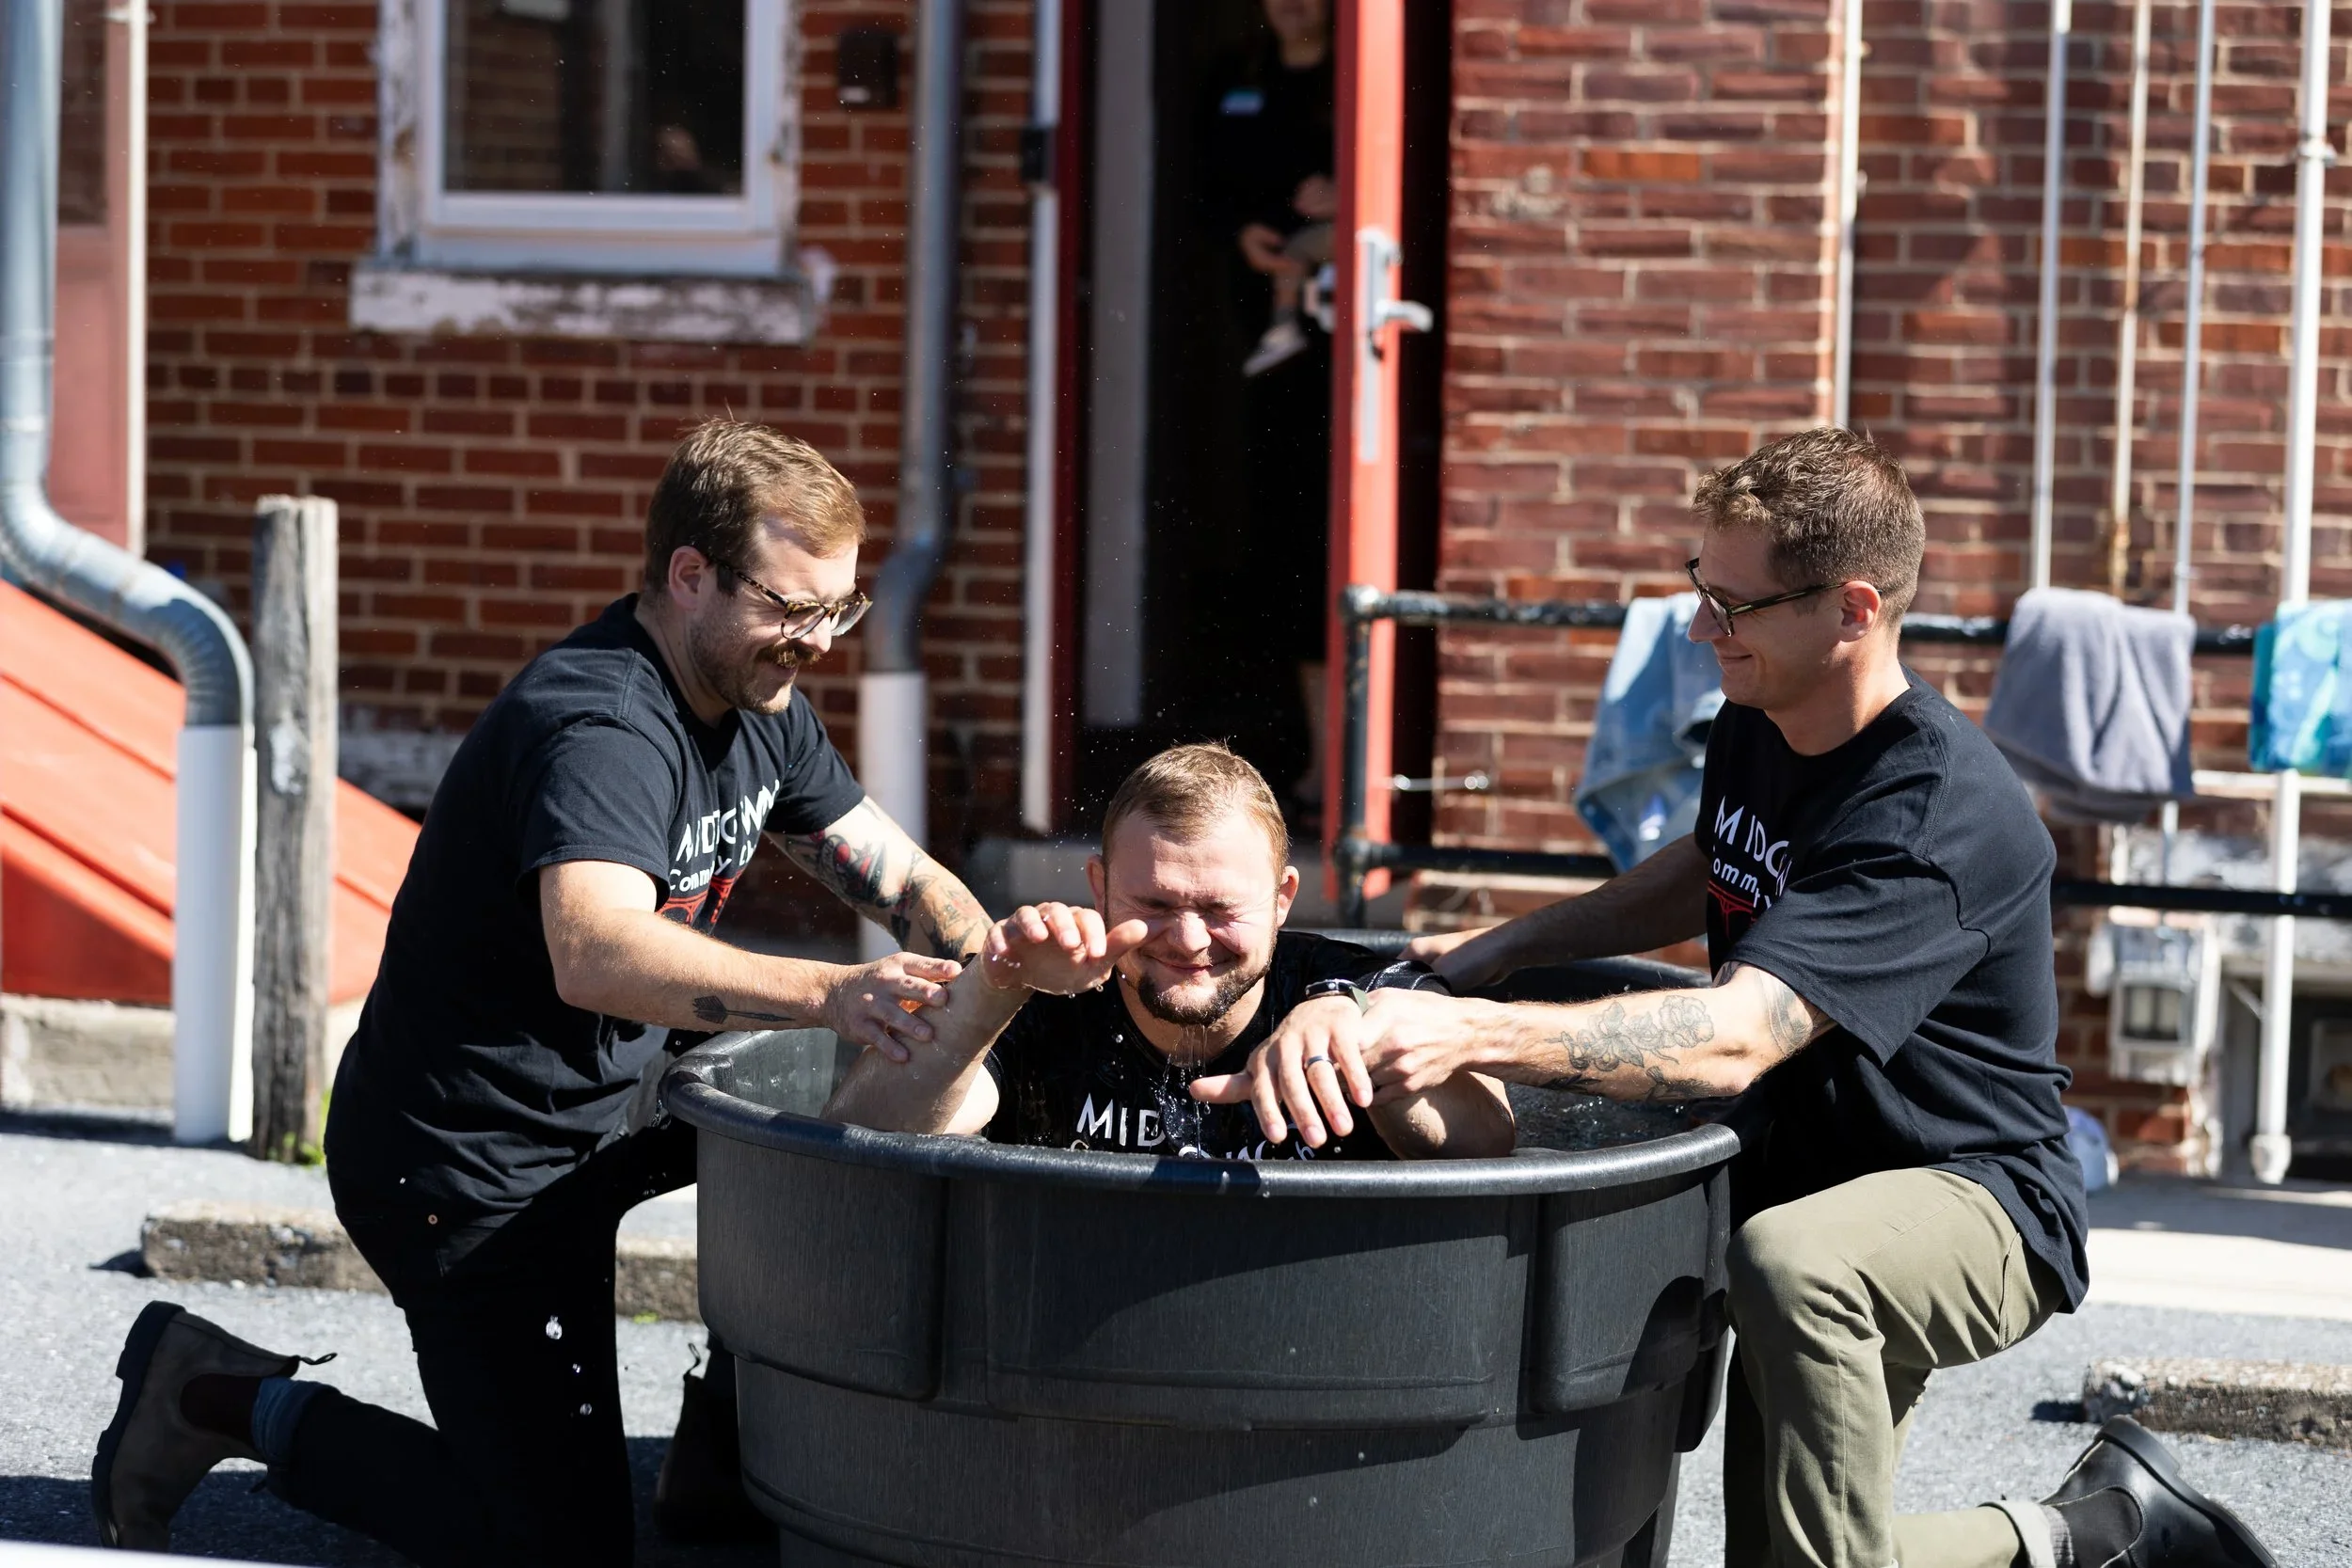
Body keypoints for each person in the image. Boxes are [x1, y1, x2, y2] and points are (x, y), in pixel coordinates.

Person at [1200, 429, 2277, 1568]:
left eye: (1734, 603)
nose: (1704, 627)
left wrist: (1465, 1028)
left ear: (1852, 609)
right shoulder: (1764, 717)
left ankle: (2099, 1526)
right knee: (1790, 1552)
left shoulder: (1932, 813)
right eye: (1699, 587)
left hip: (1972, 1194)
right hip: (1808, 1175)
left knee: (1794, 1268)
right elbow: (1709, 858)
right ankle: (2101, 1528)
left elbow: (1731, 1039)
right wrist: (1494, 949)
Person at [91, 420, 993, 1564]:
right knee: (553, 1546)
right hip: (466, 1165)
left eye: (840, 610)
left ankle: (722, 1442)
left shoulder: (760, 701)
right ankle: (214, 1392)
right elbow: (598, 951)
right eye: (791, 607)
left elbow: (901, 875)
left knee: (829, 1131)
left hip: (614, 1103)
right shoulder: (603, 724)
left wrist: (999, 967)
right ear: (688, 574)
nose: (818, 641)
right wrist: (831, 992)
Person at [827, 742, 1514, 1162]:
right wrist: (994, 984)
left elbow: (1491, 1144)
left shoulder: (1359, 989)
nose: (1187, 941)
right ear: (1099, 888)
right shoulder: (1042, 1003)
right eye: (1154, 905)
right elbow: (856, 1142)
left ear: (1282, 899)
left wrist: (1365, 1045)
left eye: (1220, 910)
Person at [1201, 0, 1338, 814]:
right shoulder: (1239, 80)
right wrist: (1244, 233)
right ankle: (1312, 758)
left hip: (1347, 356)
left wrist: (1344, 194)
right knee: (1287, 555)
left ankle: (1338, 765)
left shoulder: (1353, 79)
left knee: (1328, 551)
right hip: (1270, 365)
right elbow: (1208, 192)